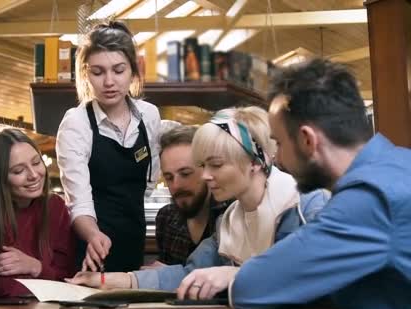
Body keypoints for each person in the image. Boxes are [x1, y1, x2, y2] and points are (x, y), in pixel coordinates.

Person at [66, 106, 329, 292]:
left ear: (254, 162)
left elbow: (311, 281)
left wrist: (235, 275)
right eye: (202, 165)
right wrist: (105, 281)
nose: (205, 176)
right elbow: (188, 272)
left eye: (215, 165)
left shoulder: (308, 207)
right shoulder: (229, 222)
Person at [229, 58, 411, 309]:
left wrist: (233, 275)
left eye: (279, 143)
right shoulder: (399, 165)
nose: (277, 159)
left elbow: (249, 287)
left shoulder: (370, 199)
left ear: (307, 140)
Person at [56, 21, 161, 272]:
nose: (109, 81)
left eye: (118, 70)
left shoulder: (149, 116)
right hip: (89, 248)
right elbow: (78, 202)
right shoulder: (76, 123)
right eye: (98, 71)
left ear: (133, 72)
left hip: (133, 240)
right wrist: (93, 235)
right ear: (86, 74)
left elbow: (148, 183)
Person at [0, 128, 75, 298]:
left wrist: (35, 267)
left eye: (37, 162)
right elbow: (10, 289)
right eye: (18, 171)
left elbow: (71, 278)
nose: (34, 175)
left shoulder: (55, 206)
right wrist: (48, 274)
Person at [147, 125, 229, 268]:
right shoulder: (166, 218)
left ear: (207, 170)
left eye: (185, 174)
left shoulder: (230, 216)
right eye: (169, 177)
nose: (176, 185)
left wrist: (168, 277)